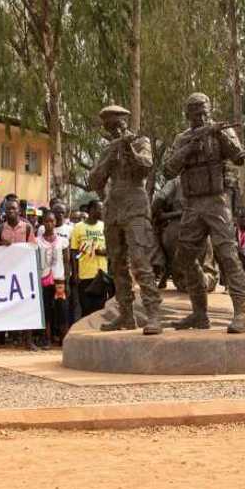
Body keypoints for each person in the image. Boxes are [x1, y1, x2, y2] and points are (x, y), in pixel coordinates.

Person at [162, 93, 245, 333]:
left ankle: (240, 314)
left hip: (217, 201)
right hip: (191, 205)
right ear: (187, 115)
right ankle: (199, 313)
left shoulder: (219, 131)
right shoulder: (182, 138)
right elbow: (168, 169)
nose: (201, 117)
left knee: (228, 255)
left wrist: (220, 134)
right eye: (196, 114)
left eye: (205, 112)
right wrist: (191, 146)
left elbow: (239, 157)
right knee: (184, 258)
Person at [87, 105, 163, 335]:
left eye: (116, 125)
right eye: (109, 126)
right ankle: (126, 315)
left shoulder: (141, 141)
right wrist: (111, 154)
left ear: (125, 123)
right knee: (117, 264)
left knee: (141, 262)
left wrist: (127, 146)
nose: (113, 130)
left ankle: (153, 315)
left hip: (136, 206)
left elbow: (145, 168)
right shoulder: (108, 149)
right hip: (114, 209)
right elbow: (94, 181)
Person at [69, 199, 109, 319]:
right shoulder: (78, 227)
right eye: (99, 209)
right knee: (86, 308)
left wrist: (102, 252)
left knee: (100, 308)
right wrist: (75, 274)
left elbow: (112, 249)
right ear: (91, 210)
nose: (102, 211)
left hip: (101, 275)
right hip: (84, 275)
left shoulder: (104, 226)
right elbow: (74, 252)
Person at [37, 210, 68, 348]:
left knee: (61, 309)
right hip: (43, 280)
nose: (49, 224)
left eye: (52, 221)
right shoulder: (37, 241)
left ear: (55, 222)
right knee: (46, 310)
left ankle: (64, 339)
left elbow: (67, 261)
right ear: (43, 222)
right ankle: (47, 339)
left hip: (59, 280)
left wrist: (66, 278)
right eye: (46, 221)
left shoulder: (62, 240)